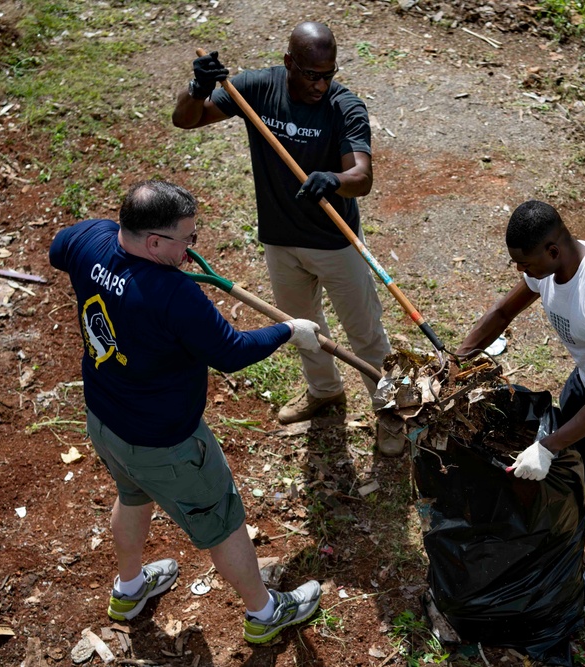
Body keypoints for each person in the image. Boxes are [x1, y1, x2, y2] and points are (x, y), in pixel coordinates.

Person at [49, 180, 324, 642]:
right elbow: (232, 352)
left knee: (133, 494)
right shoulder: (172, 294)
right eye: (187, 239)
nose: (192, 248)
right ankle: (264, 614)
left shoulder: (92, 239)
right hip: (167, 442)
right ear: (154, 241)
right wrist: (288, 332)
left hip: (105, 420)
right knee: (223, 523)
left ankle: (130, 588)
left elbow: (60, 248)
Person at [171, 21, 391, 428]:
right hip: (280, 240)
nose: (320, 86)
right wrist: (197, 88)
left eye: (329, 75)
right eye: (311, 75)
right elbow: (186, 119)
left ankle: (390, 411)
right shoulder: (256, 89)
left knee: (365, 334)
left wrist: (335, 179)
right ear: (289, 62)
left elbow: (362, 177)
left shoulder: (345, 107)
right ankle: (325, 390)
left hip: (335, 242)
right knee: (302, 326)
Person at [456, 200, 585, 613]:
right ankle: (568, 541)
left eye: (524, 263)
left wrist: (547, 445)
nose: (521, 271)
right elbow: (502, 312)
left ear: (553, 249)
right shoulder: (549, 269)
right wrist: (456, 361)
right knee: (572, 478)